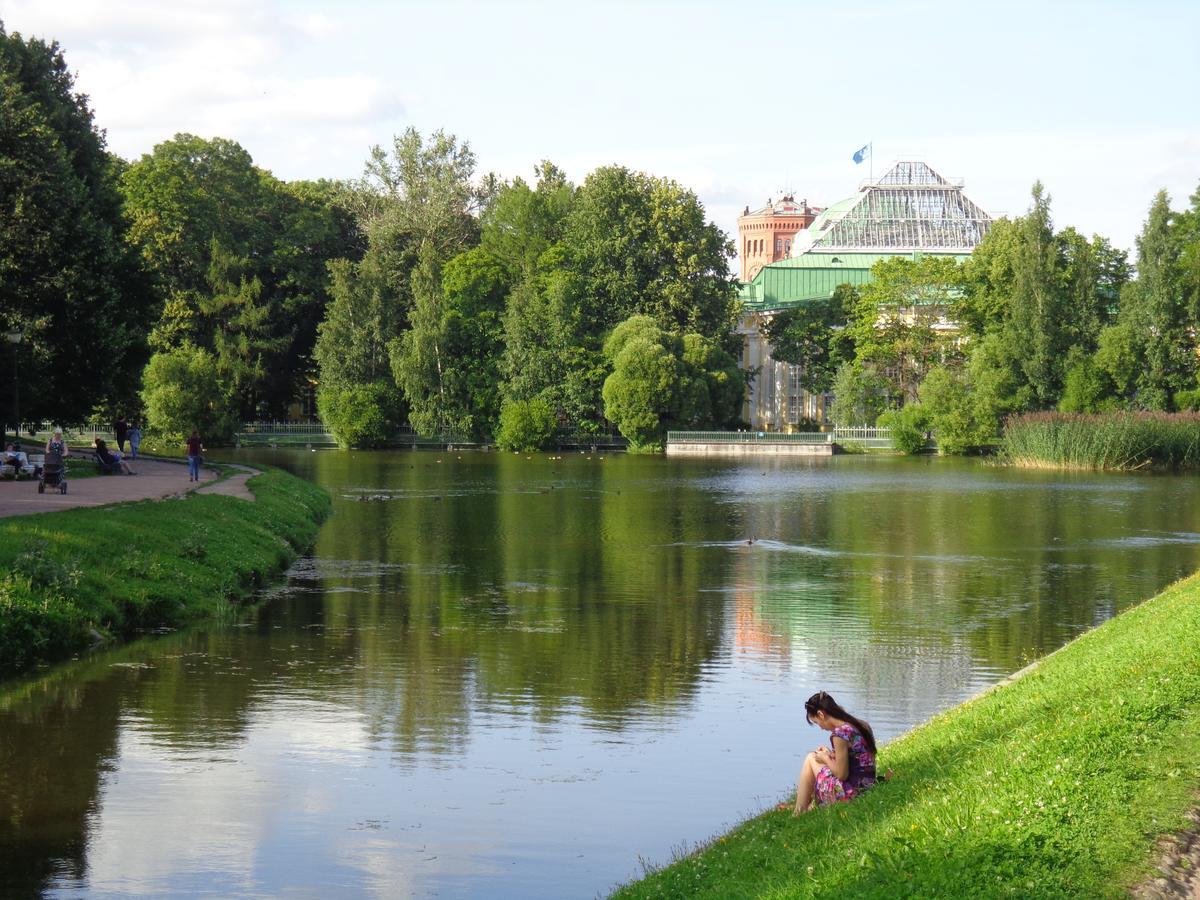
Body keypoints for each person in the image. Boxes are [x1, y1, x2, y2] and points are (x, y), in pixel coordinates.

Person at [789, 691, 877, 815]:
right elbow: (859, 757)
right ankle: (804, 806)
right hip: (868, 786)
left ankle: (799, 811)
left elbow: (842, 775)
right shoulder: (861, 725)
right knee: (815, 758)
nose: (820, 727)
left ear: (821, 714)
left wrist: (825, 758)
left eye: (816, 722)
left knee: (811, 758)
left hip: (851, 793)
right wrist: (832, 754)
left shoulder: (839, 734)